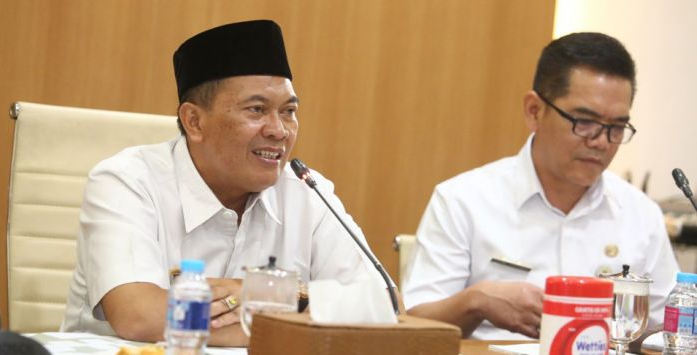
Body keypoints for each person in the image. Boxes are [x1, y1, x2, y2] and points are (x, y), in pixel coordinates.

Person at [61, 20, 385, 346]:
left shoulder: (307, 190)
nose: (279, 131)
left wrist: (269, 293)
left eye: (288, 111)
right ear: (194, 121)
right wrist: (301, 315)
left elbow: (384, 304)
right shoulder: (126, 181)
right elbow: (140, 316)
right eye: (257, 110)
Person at [403, 32, 679, 340]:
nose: (601, 142)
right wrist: (476, 301)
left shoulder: (641, 214)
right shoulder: (463, 200)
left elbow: (669, 329)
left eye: (616, 127)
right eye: (583, 121)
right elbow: (415, 323)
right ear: (534, 111)